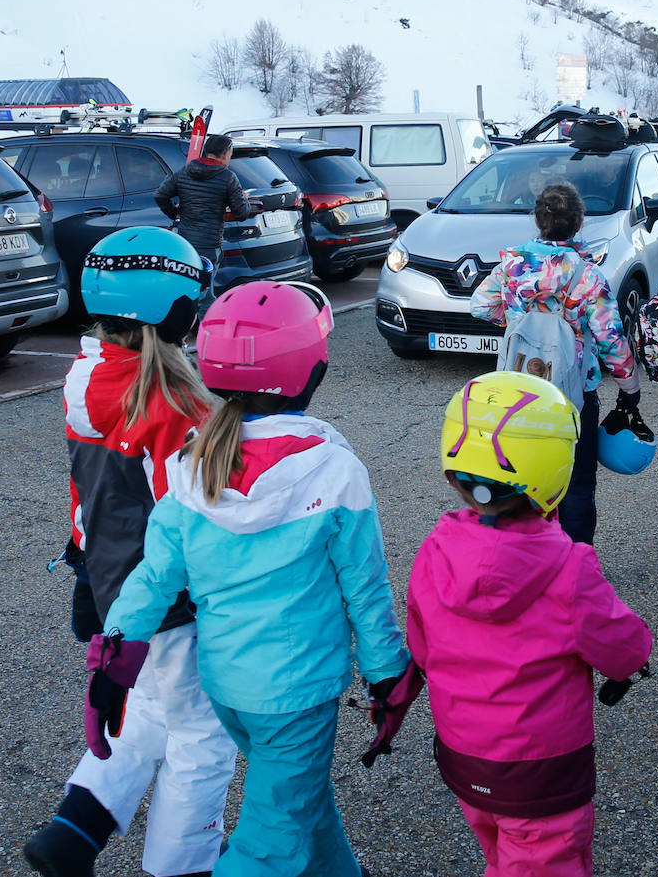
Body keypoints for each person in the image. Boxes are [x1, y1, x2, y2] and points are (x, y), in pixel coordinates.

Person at [96, 280, 410, 877]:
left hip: (227, 683)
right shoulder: (335, 471)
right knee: (270, 841)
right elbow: (364, 590)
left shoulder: (191, 463)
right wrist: (387, 675)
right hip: (299, 692)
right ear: (311, 371)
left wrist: (113, 655)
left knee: (296, 802)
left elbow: (155, 577)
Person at [25, 227, 238, 877]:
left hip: (113, 584)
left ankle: (73, 830)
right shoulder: (176, 402)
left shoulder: (84, 375)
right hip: (172, 600)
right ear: (173, 308)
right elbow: (193, 523)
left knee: (146, 708)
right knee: (202, 733)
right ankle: (185, 861)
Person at [407, 370, 654, 877]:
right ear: (553, 470)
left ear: (454, 467)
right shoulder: (568, 567)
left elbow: (422, 645)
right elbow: (624, 649)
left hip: (463, 757)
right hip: (542, 772)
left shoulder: (434, 551)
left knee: (499, 848)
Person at [470, 182, 641, 546]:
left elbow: (480, 305)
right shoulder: (587, 276)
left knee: (517, 475)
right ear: (578, 224)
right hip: (573, 396)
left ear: (538, 220)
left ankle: (521, 555)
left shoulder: (512, 267)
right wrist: (630, 388)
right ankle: (574, 565)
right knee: (576, 483)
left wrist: (517, 319)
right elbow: (611, 339)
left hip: (519, 389)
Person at [155, 133, 252, 318]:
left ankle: (181, 332)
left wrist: (175, 213)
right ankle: (210, 337)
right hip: (208, 243)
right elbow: (242, 213)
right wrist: (243, 199)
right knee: (205, 295)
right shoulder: (227, 177)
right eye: (230, 153)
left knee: (188, 288)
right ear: (225, 154)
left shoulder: (184, 171)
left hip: (184, 241)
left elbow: (160, 195)